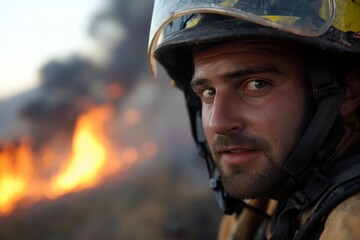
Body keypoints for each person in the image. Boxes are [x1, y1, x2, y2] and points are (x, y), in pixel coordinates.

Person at [147, 0, 360, 239]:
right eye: (208, 92)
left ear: (349, 92)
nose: (218, 123)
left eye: (256, 85)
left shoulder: (350, 224)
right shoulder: (268, 201)